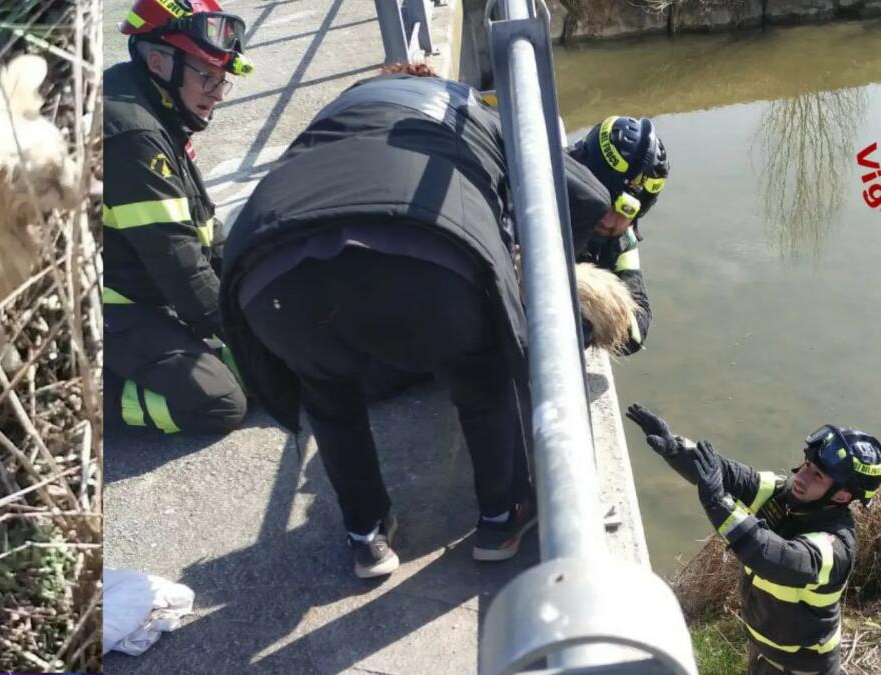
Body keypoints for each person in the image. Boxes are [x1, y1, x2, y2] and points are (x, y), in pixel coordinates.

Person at [218, 63, 630, 578]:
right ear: (431, 81)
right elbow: (586, 193)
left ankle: (366, 536)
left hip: (269, 274)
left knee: (327, 393)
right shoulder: (462, 108)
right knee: (481, 371)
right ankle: (502, 519)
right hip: (422, 260)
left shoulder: (334, 114)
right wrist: (544, 270)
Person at [627, 404, 881, 675]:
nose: (802, 476)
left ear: (842, 496)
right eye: (807, 464)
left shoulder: (834, 546)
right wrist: (676, 448)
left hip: (801, 667)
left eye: (817, 474)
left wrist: (718, 502)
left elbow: (772, 557)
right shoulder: (785, 493)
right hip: (764, 647)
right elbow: (728, 475)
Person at [103, 0, 253, 434]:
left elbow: (202, 228)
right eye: (206, 75)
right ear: (158, 61)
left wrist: (254, 284)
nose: (217, 92)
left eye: (222, 79)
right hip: (111, 307)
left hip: (137, 288)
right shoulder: (132, 135)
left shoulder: (155, 106)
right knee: (218, 403)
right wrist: (250, 338)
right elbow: (178, 264)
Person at [566, 116, 668, 354]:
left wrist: (588, 294)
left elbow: (634, 331)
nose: (609, 219)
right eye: (602, 200)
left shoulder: (621, 239)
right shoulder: (531, 191)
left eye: (625, 210)